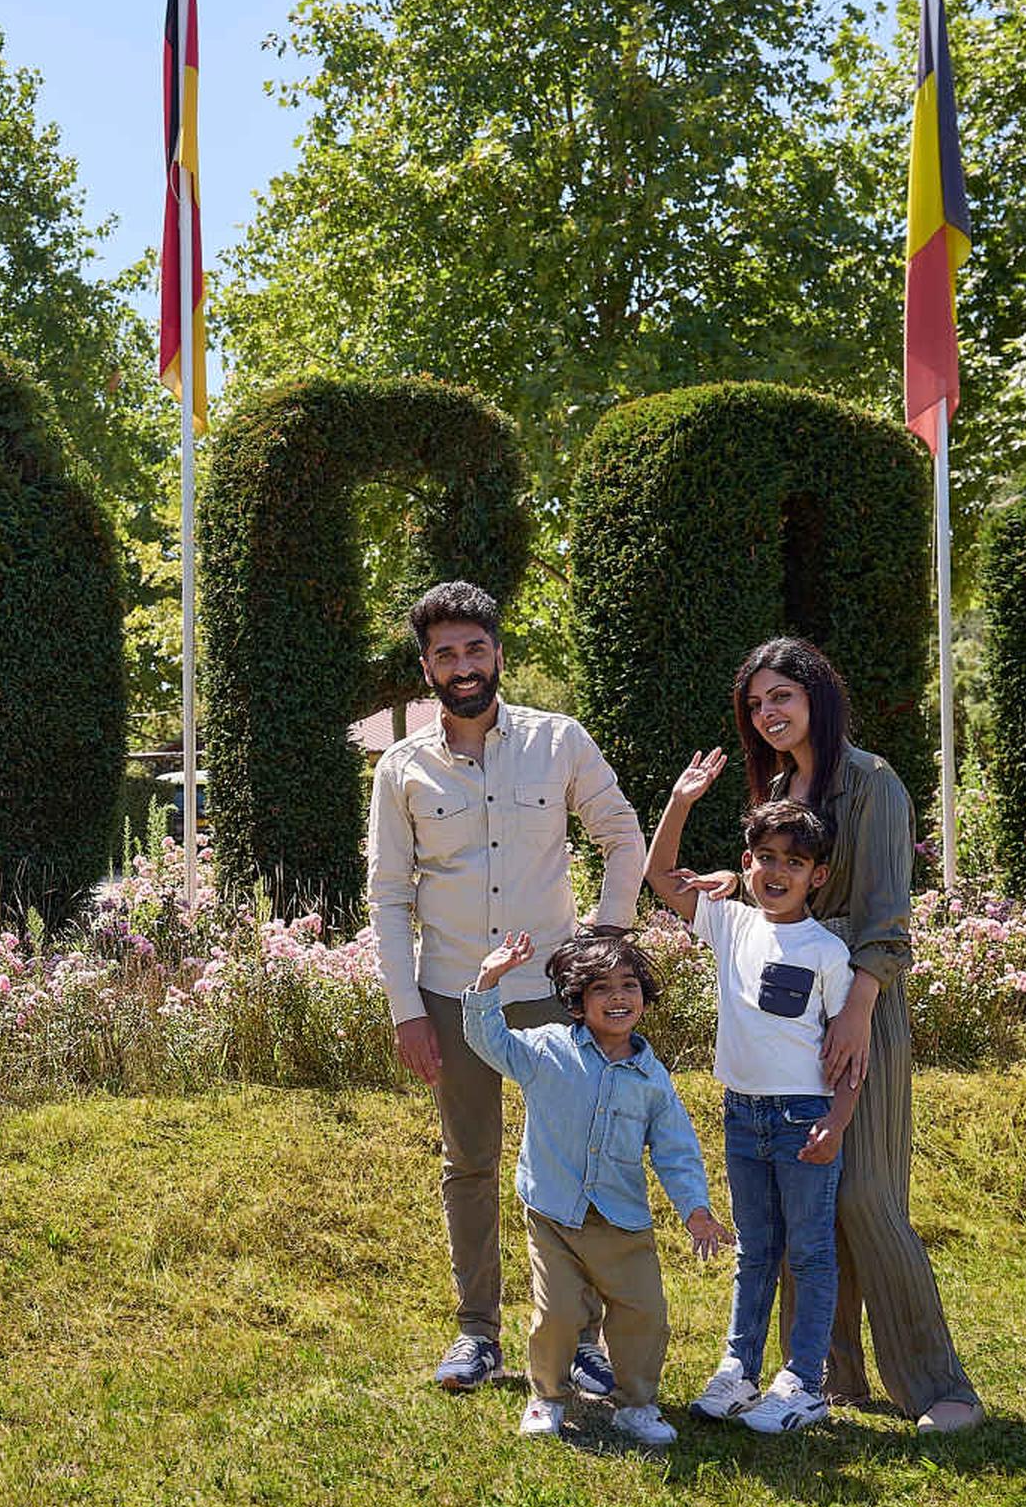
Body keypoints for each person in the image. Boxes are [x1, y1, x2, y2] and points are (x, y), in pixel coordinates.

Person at [645, 636, 985, 1433]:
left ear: (816, 698)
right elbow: (782, 879)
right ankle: (828, 1377)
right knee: (807, 1209)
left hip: (860, 1006)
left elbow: (885, 914)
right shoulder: (778, 786)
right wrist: (741, 885)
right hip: (784, 1029)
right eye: (756, 704)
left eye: (782, 698)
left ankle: (939, 1387)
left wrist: (860, 1012)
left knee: (867, 1196)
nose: (768, 714)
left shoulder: (872, 782)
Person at [367, 580, 650, 1395]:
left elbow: (621, 835)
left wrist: (604, 941)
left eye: (475, 649)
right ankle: (477, 1334)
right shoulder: (401, 767)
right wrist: (408, 1011)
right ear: (427, 668)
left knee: (577, 1159)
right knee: (470, 1163)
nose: (463, 666)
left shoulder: (559, 742)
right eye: (446, 654)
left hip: (552, 991)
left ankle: (583, 1338)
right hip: (454, 996)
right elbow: (388, 895)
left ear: (498, 654)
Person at [456, 925, 731, 1444]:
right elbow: (488, 1040)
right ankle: (546, 1397)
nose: (618, 997)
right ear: (578, 1002)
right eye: (601, 988)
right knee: (557, 1312)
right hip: (554, 1213)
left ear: (644, 998)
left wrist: (695, 1209)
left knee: (644, 1314)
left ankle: (636, 1405)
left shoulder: (653, 1079)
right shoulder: (545, 1052)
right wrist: (489, 978)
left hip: (622, 1222)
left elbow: (676, 1151)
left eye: (629, 985)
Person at [655, 795, 858, 1434]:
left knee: (810, 1251)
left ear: (816, 876)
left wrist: (839, 1120)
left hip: (805, 1119)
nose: (777, 872)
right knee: (754, 1250)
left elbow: (850, 1050)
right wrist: (682, 801)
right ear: (746, 863)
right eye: (765, 858)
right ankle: (739, 1369)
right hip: (741, 1115)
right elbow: (660, 877)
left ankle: (803, 1382)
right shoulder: (732, 923)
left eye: (793, 863)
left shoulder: (827, 951)